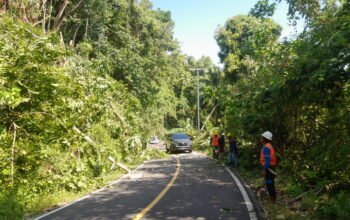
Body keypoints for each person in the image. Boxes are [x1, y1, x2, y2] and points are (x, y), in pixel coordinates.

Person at [260, 131, 277, 202]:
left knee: (269, 183)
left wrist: (265, 169)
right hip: (271, 167)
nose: (261, 139)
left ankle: (273, 199)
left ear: (264, 139)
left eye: (262, 137)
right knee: (270, 183)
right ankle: (272, 197)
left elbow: (267, 159)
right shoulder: (269, 146)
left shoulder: (266, 147)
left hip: (269, 167)